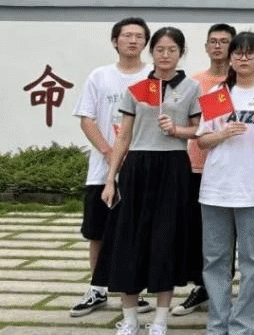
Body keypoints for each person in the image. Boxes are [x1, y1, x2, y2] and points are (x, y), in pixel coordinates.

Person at [98, 26, 202, 335]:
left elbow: (199, 129)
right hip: (137, 168)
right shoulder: (137, 88)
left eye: (172, 50)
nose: (165, 55)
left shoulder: (192, 88)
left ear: (181, 53)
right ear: (151, 52)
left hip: (173, 167)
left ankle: (160, 320)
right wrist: (110, 179)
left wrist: (177, 130)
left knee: (165, 241)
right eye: (160, 49)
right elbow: (124, 137)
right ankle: (130, 318)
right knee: (129, 240)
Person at [197, 31, 254, 335]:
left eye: (250, 53)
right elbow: (202, 141)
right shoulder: (218, 94)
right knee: (215, 261)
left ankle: (242, 325)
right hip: (215, 190)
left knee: (252, 263)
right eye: (238, 53)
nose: (243, 58)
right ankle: (217, 324)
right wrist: (221, 134)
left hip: (253, 192)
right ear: (231, 58)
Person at [70, 17, 154, 318]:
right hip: (102, 170)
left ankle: (133, 290)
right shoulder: (100, 76)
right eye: (127, 35)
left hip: (141, 168)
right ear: (115, 40)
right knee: (98, 232)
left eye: (139, 36)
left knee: (137, 231)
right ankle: (97, 289)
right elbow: (86, 118)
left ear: (146, 42)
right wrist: (108, 153)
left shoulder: (153, 77)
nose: (133, 40)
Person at [173, 23, 236, 318]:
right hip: (197, 167)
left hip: (233, 170)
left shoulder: (240, 82)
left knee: (232, 235)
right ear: (206, 47)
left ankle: (224, 290)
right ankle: (202, 287)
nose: (218, 46)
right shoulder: (194, 82)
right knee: (200, 233)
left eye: (224, 41)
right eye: (213, 41)